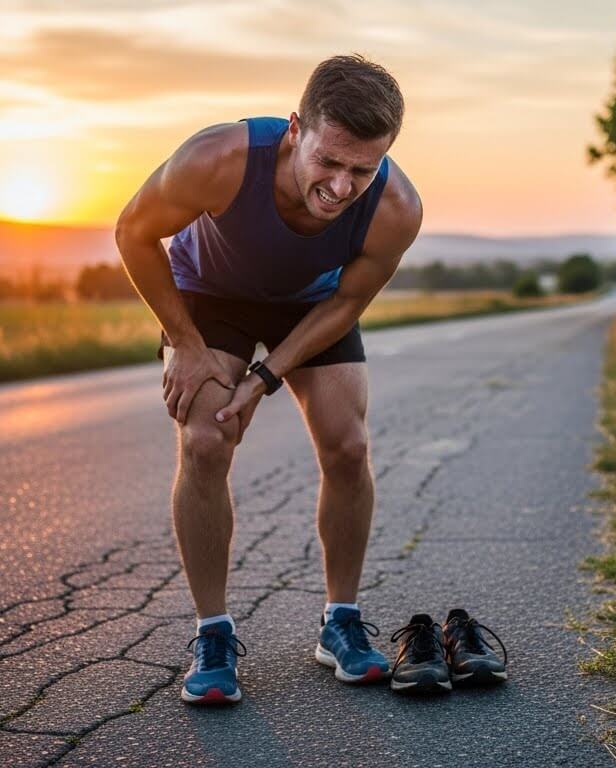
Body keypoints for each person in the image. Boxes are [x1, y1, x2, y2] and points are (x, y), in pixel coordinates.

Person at [114, 54, 422, 704]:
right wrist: (186, 343)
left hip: (314, 306)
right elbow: (133, 232)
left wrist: (265, 377)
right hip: (210, 294)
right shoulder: (218, 159)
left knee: (348, 446)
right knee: (204, 440)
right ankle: (213, 633)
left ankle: (339, 623)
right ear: (293, 130)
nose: (341, 187)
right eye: (328, 163)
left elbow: (345, 305)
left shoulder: (395, 208)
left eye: (361, 170)